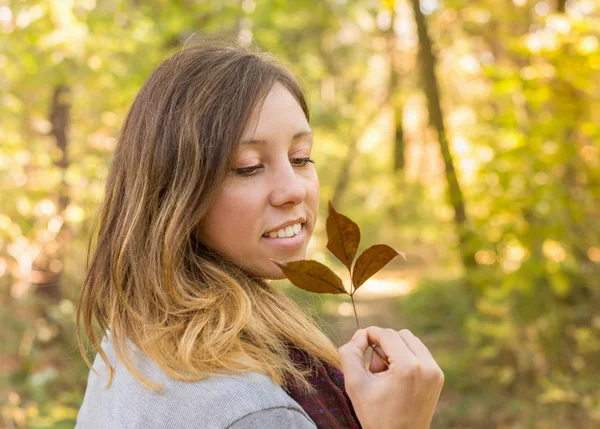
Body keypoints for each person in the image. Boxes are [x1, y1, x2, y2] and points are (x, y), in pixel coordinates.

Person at [75, 41, 444, 429]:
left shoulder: (131, 337)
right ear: (173, 192)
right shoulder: (254, 413)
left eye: (301, 158)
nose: (295, 190)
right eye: (248, 166)